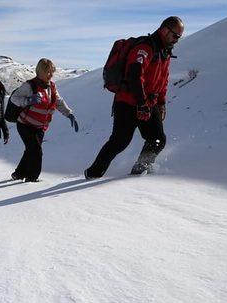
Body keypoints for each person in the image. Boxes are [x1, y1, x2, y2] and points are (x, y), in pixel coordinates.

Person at [85, 16, 184, 178]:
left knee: (157, 139)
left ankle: (140, 170)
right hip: (128, 102)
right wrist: (141, 104)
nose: (177, 40)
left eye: (179, 37)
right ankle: (92, 174)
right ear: (165, 30)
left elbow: (163, 81)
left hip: (148, 103)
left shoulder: (164, 52)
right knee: (120, 142)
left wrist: (161, 103)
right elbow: (135, 75)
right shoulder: (145, 47)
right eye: (175, 36)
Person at [10, 58, 79, 182]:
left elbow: (58, 102)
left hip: (40, 126)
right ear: (40, 72)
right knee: (36, 151)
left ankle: (19, 173)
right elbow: (14, 98)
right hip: (25, 124)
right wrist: (28, 100)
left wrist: (69, 114)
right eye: (48, 72)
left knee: (31, 150)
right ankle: (32, 179)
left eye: (52, 71)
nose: (51, 75)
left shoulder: (51, 86)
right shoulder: (29, 85)